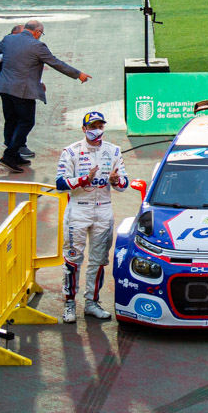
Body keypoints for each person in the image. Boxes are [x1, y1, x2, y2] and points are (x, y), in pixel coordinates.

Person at [55, 112, 127, 322]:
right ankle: (70, 303)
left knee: (99, 260)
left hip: (103, 210)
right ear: (84, 129)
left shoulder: (114, 151)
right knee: (73, 258)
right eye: (92, 126)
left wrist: (115, 180)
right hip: (78, 210)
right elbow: (60, 184)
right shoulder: (71, 151)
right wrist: (84, 179)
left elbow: (124, 184)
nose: (97, 130)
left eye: (100, 126)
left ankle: (92, 303)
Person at [0, 20, 90, 172]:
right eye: (41, 34)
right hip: (22, 91)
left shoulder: (9, 39)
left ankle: (14, 153)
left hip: (4, 88)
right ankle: (9, 155)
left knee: (11, 120)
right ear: (37, 32)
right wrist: (78, 74)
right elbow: (56, 63)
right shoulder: (37, 46)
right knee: (26, 121)